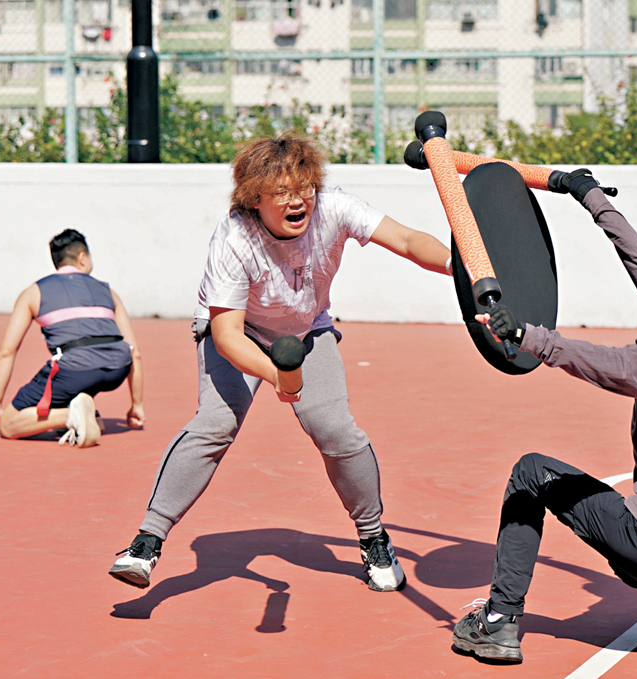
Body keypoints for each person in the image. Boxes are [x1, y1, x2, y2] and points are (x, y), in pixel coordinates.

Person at [109, 133, 452, 594]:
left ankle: (374, 538)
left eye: (304, 187)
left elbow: (407, 240)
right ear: (255, 199)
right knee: (215, 424)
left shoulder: (334, 207)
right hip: (240, 333)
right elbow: (227, 336)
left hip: (307, 330)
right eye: (283, 192)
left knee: (335, 429)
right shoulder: (234, 237)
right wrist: (278, 375)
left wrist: (460, 267)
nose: (298, 200)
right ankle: (146, 542)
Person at [451, 169, 637, 662]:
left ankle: (498, 621)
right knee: (627, 520)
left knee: (530, 473)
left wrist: (525, 336)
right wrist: (590, 198)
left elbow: (608, 365)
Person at [0, 229, 145, 447]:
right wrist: (136, 405)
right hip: (117, 370)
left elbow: (7, 352)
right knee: (82, 376)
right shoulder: (108, 291)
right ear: (83, 257)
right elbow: (134, 352)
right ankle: (86, 415)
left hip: (75, 370)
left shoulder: (34, 292)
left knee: (8, 424)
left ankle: (70, 415)